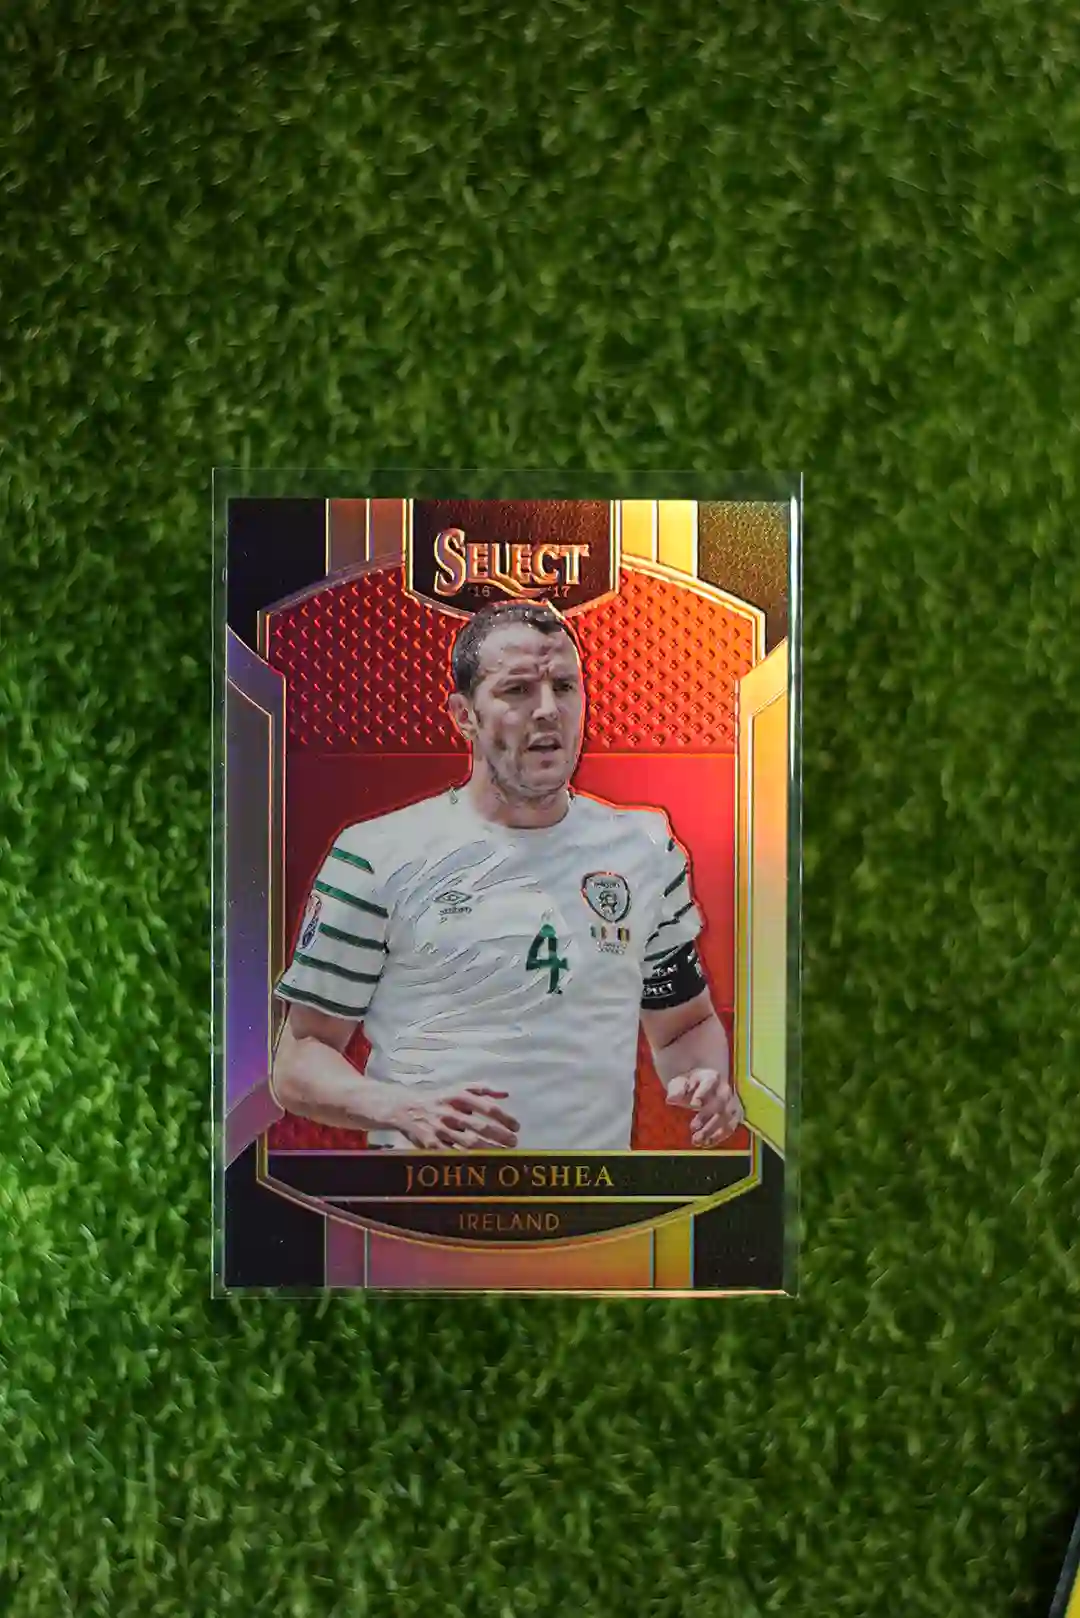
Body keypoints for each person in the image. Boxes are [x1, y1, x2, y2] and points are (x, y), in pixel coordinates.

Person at [270, 600, 743, 1152]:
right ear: (463, 715)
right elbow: (299, 1060)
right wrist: (400, 1108)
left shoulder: (644, 850)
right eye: (518, 690)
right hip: (420, 1196)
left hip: (589, 1198)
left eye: (564, 687)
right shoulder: (377, 856)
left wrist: (706, 1078)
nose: (548, 711)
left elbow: (685, 1026)